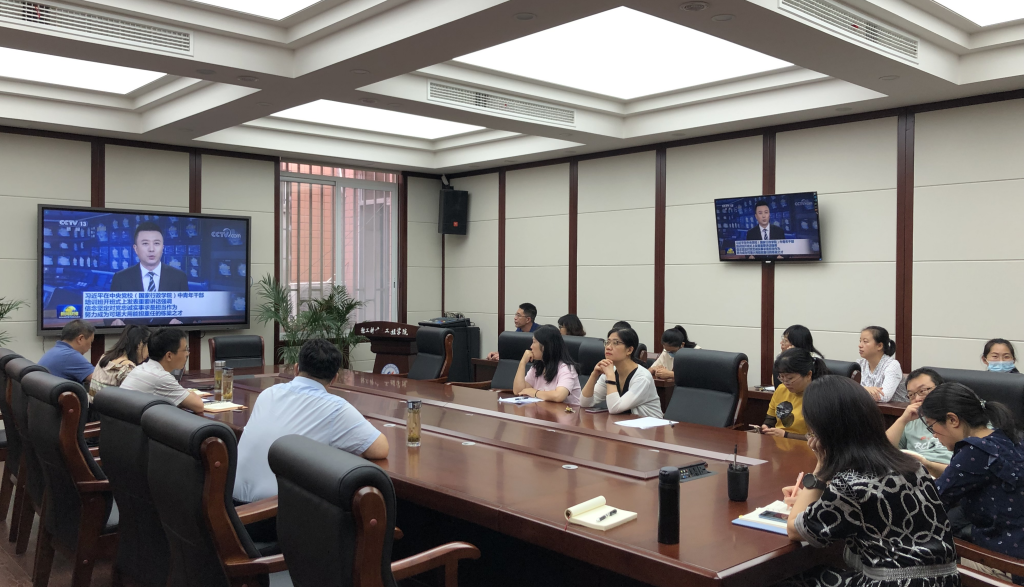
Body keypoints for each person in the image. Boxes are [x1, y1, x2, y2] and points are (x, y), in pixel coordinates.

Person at [779, 375, 959, 587]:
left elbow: (795, 530)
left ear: (822, 431)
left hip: (893, 583)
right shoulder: (913, 466)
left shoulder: (848, 485)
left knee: (787, 577)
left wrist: (820, 470)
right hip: (946, 581)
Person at [234, 339, 388, 503]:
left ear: (296, 368)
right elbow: (380, 449)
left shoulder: (268, 393)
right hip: (271, 510)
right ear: (334, 378)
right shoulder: (336, 408)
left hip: (229, 501)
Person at [920, 383, 1024, 582]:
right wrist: (928, 465)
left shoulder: (974, 450)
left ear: (952, 420)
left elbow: (931, 503)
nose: (934, 435)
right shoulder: (1007, 437)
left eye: (932, 426)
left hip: (1006, 563)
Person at [580, 327, 662, 418]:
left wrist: (610, 376)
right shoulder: (611, 371)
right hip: (624, 423)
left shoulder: (642, 377)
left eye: (615, 343)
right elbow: (584, 403)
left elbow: (615, 408)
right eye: (607, 342)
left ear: (629, 350)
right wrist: (594, 374)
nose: (608, 347)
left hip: (652, 425)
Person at [885, 368, 952, 477]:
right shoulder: (910, 420)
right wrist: (902, 420)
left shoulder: (957, 417)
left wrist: (927, 465)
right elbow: (883, 450)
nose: (917, 399)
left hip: (949, 476)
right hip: (914, 475)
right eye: (911, 395)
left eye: (922, 391)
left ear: (941, 389)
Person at [120, 328, 204, 413]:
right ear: (169, 356)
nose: (187, 353)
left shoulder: (141, 368)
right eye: (185, 349)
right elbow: (198, 406)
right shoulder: (161, 377)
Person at [760, 348, 829, 440]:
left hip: (805, 446)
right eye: (781, 377)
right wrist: (766, 427)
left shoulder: (820, 396)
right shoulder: (781, 389)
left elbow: (820, 438)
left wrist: (786, 435)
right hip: (778, 443)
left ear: (808, 374)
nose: (785, 382)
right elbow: (770, 419)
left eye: (790, 378)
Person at [109, 221, 190, 292]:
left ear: (162, 248)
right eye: (145, 243)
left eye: (156, 243)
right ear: (136, 249)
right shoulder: (120, 278)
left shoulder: (179, 277)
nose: (151, 249)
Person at [513, 325, 582, 405]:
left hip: (567, 412)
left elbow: (559, 396)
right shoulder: (538, 366)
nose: (531, 346)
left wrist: (535, 392)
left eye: (534, 342)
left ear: (544, 346)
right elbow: (518, 391)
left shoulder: (566, 368)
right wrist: (522, 363)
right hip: (544, 410)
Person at [89, 324, 151, 401]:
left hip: (93, 407)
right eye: (148, 346)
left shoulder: (105, 357)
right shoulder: (127, 368)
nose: (148, 353)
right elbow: (133, 400)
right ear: (140, 344)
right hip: (110, 408)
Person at [38, 319, 95, 388]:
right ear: (80, 339)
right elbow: (99, 379)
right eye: (90, 342)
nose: (90, 346)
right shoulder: (70, 355)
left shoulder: (55, 351)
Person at [857, 325, 906, 402]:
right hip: (867, 406)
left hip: (893, 409)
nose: (860, 345)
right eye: (860, 341)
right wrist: (865, 389)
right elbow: (845, 390)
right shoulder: (860, 364)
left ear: (879, 346)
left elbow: (884, 396)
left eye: (865, 341)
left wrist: (860, 390)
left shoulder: (892, 365)